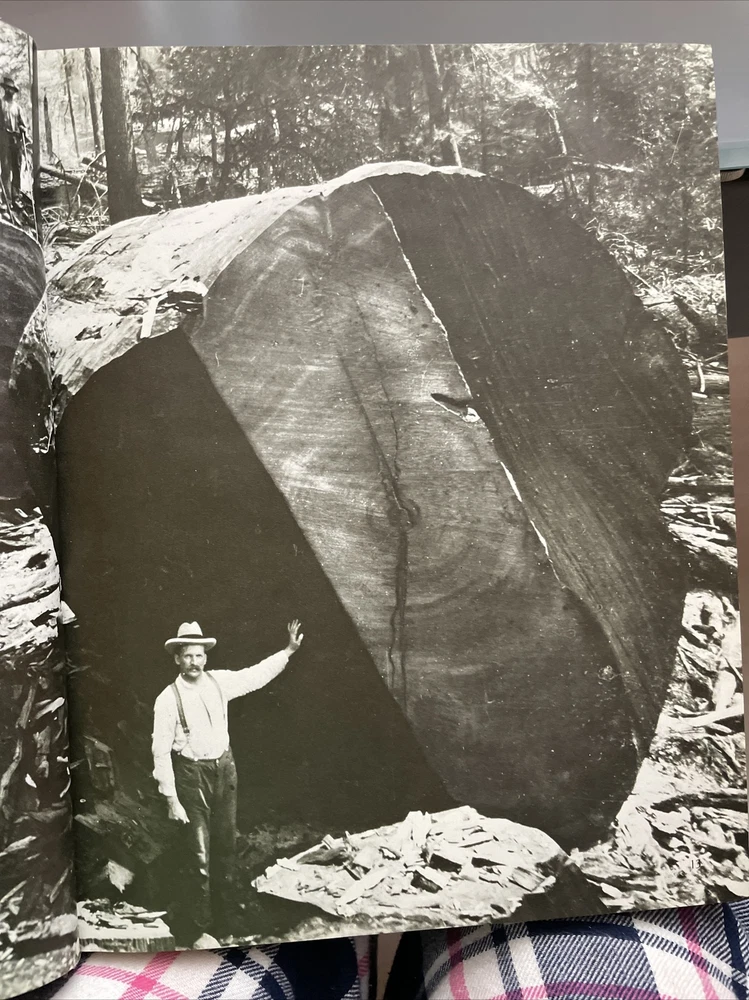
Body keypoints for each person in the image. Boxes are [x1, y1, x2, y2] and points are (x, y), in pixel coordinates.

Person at [152, 618, 304, 948]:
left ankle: (226, 926)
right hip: (191, 778)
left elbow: (255, 676)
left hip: (225, 770)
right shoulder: (167, 699)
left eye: (199, 655)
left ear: (206, 656)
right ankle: (199, 931)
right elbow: (160, 752)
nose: (194, 662)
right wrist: (171, 799)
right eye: (188, 656)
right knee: (199, 857)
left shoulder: (219, 682)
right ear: (177, 658)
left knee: (226, 849)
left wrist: (288, 651)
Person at [0, 75, 26, 208]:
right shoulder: (0, 104)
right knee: (6, 169)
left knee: (17, 168)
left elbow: (22, 124)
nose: (11, 91)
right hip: (4, 138)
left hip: (16, 140)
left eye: (12, 89)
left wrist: (23, 128)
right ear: (5, 89)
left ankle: (16, 197)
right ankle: (7, 200)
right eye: (9, 88)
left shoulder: (17, 108)